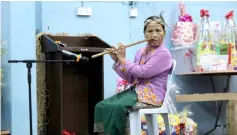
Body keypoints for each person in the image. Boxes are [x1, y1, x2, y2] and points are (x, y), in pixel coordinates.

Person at [94, 13, 173, 135]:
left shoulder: (164, 54)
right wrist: (117, 60)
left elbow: (143, 72)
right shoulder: (140, 52)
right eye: (150, 31)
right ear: (144, 34)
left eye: (158, 30)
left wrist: (123, 60)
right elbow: (131, 78)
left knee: (117, 107)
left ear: (164, 33)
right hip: (135, 91)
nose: (154, 35)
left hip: (152, 96)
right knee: (101, 106)